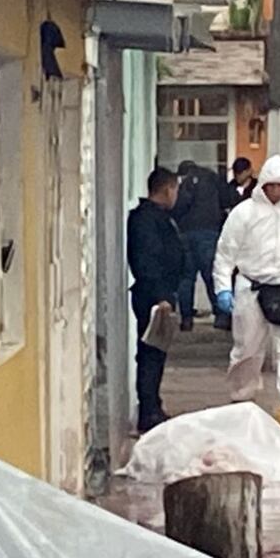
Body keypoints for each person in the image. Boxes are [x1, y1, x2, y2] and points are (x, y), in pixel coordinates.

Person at [213, 155, 280, 433]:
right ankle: (241, 396)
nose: (276, 191)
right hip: (251, 287)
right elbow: (225, 253)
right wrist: (223, 286)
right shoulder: (244, 213)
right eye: (271, 186)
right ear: (262, 185)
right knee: (247, 349)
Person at [127, 168, 185, 433]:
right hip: (153, 296)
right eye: (175, 189)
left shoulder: (158, 218)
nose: (176, 195)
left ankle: (154, 405)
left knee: (157, 354)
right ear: (167, 189)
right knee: (150, 354)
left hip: (161, 294)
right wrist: (161, 296)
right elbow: (148, 259)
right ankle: (148, 410)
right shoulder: (146, 220)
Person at [172, 160, 226, 331]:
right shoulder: (211, 178)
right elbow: (226, 199)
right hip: (209, 232)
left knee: (186, 278)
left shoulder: (184, 183)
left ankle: (186, 318)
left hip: (185, 233)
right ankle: (220, 315)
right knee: (211, 275)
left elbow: (178, 205)